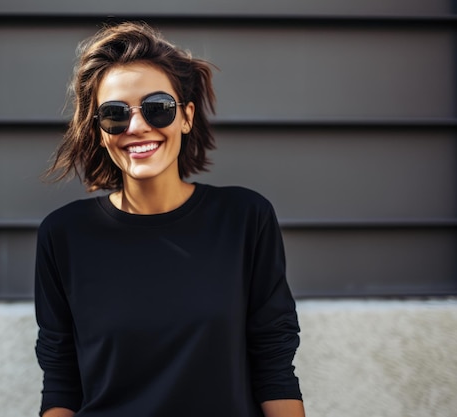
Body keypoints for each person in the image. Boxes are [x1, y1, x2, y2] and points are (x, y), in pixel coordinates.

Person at [34, 21, 304, 417]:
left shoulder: (245, 219)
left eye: (157, 108)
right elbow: (61, 382)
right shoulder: (64, 235)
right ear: (100, 131)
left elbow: (274, 361)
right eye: (114, 114)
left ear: (187, 116)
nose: (137, 126)